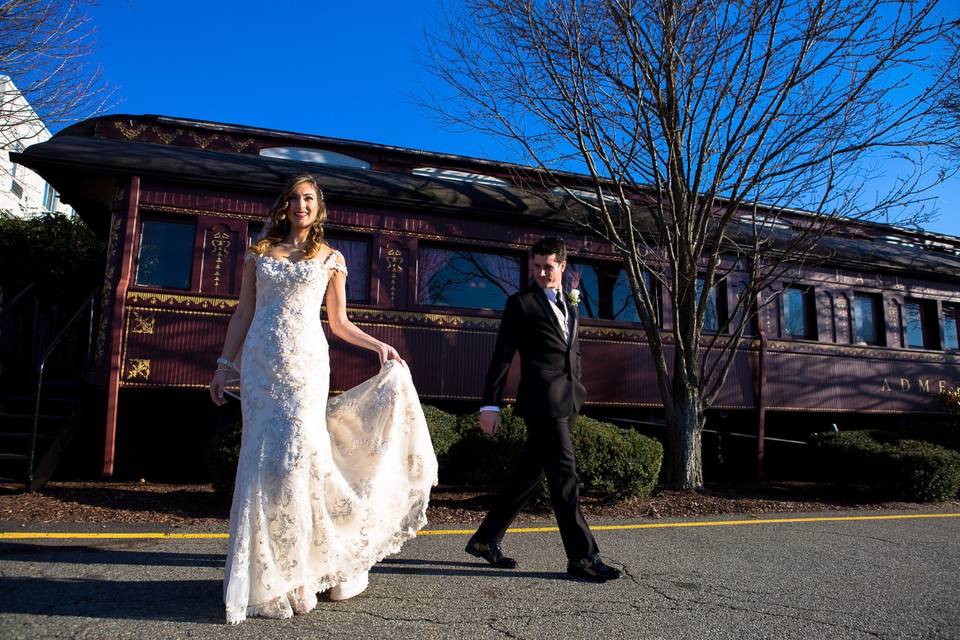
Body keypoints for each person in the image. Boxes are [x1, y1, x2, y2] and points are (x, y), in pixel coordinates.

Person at [209, 174, 438, 624]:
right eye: (294, 198)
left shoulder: (331, 258)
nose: (301, 205)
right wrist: (223, 364)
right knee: (262, 462)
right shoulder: (259, 253)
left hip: (305, 367)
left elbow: (338, 322)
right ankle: (263, 578)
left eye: (308, 198)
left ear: (319, 207)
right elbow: (244, 311)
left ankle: (300, 574)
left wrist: (378, 346)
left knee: (296, 461)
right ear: (283, 205)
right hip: (260, 367)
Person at [465, 236, 621, 582]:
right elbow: (502, 357)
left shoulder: (571, 303)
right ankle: (582, 556)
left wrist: (578, 391)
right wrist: (491, 404)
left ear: (563, 267)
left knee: (528, 475)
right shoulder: (521, 303)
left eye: (548, 266)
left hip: (568, 401)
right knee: (565, 477)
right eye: (535, 266)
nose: (540, 272)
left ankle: (485, 540)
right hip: (542, 403)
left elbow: (571, 353)